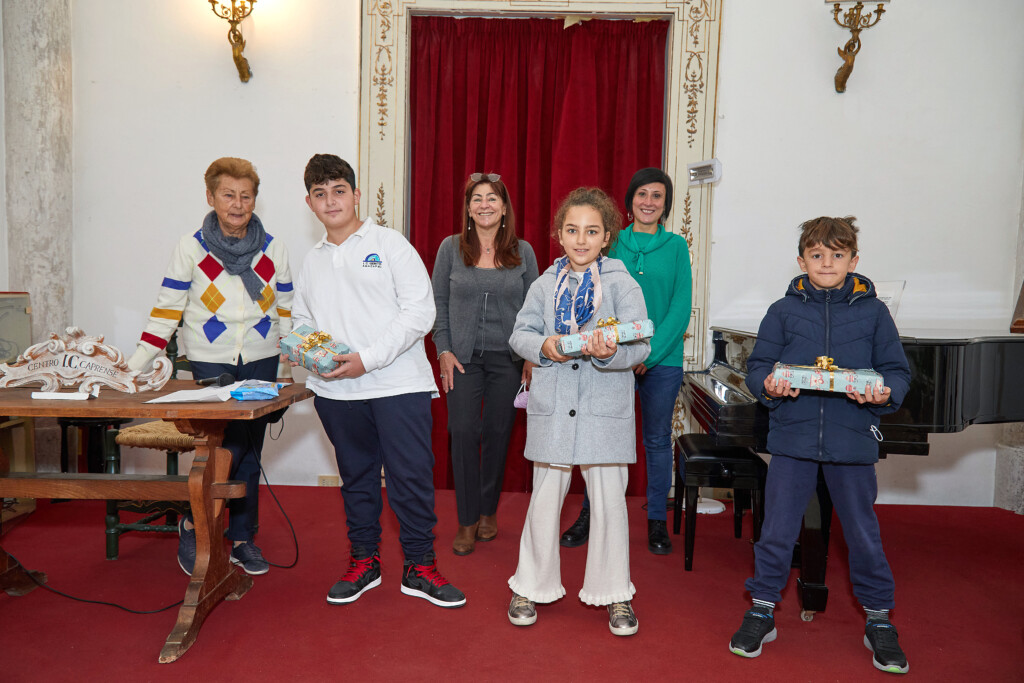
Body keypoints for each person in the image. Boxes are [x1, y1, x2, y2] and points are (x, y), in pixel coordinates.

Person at [728, 216, 911, 674]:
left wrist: (885, 392)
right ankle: (762, 610)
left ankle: (878, 619)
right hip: (793, 438)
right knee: (776, 530)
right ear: (801, 261)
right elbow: (758, 367)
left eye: (837, 255)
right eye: (816, 255)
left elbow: (897, 373)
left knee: (863, 534)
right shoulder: (782, 310)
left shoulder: (875, 313)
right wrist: (769, 385)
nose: (826, 263)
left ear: (853, 260)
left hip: (852, 441)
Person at [292, 153, 465, 608]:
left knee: (410, 479)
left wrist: (366, 360)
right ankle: (364, 562)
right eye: (319, 194)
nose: (330, 201)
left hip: (397, 385)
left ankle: (419, 567)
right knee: (356, 478)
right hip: (336, 390)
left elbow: (420, 312)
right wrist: (307, 350)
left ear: (356, 195)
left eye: (338, 191)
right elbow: (303, 319)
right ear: (309, 203)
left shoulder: (390, 244)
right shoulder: (311, 261)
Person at [128, 156, 293, 577]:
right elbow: (167, 311)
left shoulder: (273, 248)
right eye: (228, 195)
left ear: (255, 200)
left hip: (261, 357)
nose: (237, 204)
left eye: (246, 196)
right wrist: (133, 365)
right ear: (210, 197)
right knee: (224, 447)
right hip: (209, 358)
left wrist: (287, 368)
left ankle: (242, 538)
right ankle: (194, 523)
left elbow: (287, 311)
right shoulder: (191, 247)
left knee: (251, 449)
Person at [506, 187, 650, 636]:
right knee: (544, 501)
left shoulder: (623, 284)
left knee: (609, 505)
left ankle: (615, 593)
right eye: (572, 230)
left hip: (604, 409)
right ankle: (529, 585)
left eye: (591, 231)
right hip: (553, 406)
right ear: (559, 234)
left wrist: (611, 353)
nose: (581, 239)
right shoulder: (543, 284)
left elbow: (641, 344)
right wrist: (544, 346)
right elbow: (520, 333)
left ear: (607, 237)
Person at [560, 167, 692, 555]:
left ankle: (656, 521)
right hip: (611, 357)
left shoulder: (677, 247)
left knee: (656, 440)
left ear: (666, 204)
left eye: (657, 195)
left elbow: (680, 306)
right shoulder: (612, 242)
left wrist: (648, 353)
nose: (649, 201)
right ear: (630, 200)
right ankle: (588, 514)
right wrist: (622, 352)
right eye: (642, 194)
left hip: (662, 360)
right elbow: (595, 299)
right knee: (600, 435)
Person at [431, 173, 538, 556]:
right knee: (461, 432)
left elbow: (536, 308)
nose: (484, 205)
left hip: (508, 359)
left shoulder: (523, 252)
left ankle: (488, 511)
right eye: (477, 199)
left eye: (492, 198)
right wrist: (443, 349)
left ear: (504, 207)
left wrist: (531, 355)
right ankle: (466, 520)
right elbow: (438, 303)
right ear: (468, 209)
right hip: (461, 360)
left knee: (498, 433)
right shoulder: (450, 248)